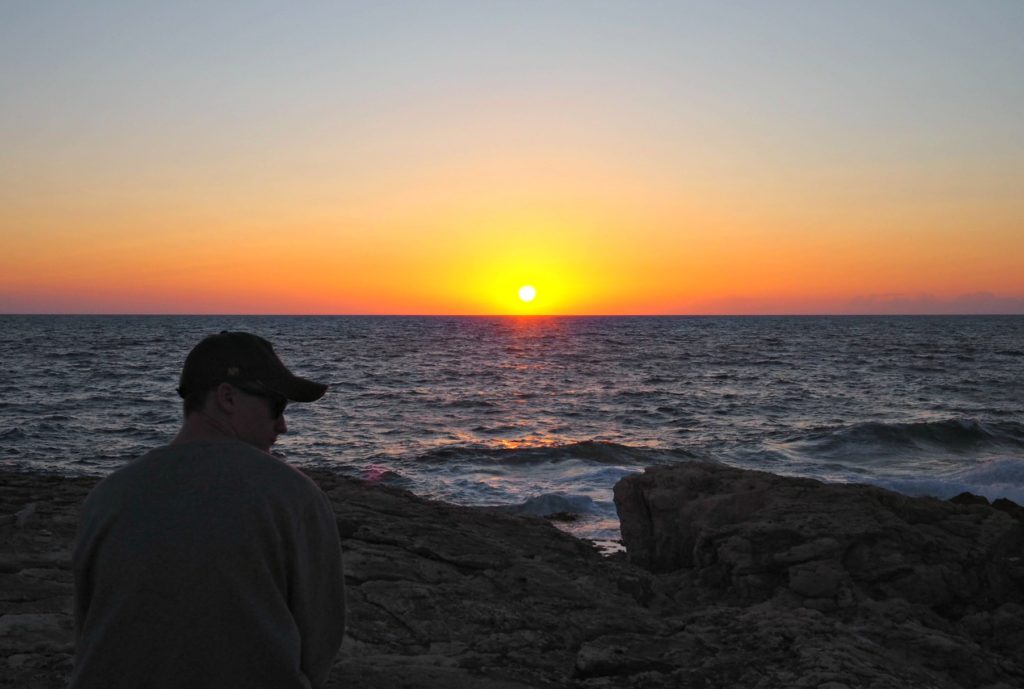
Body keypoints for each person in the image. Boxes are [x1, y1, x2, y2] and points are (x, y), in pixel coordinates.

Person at [70, 331, 346, 689]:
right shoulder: (294, 496)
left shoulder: (105, 498)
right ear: (227, 397)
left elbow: (88, 627)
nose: (283, 425)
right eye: (277, 405)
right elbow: (319, 642)